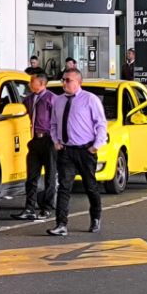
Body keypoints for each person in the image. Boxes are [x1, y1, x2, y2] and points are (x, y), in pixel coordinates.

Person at [47, 69, 107, 236]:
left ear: (78, 82)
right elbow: (53, 124)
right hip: (66, 151)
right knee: (64, 187)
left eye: (68, 80)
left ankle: (95, 217)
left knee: (90, 187)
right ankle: (61, 224)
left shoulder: (90, 99)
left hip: (85, 150)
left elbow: (101, 124)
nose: (64, 83)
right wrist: (56, 141)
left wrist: (96, 146)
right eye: (63, 80)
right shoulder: (58, 101)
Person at [12, 72, 55, 221]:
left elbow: (58, 120)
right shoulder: (28, 100)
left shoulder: (51, 99)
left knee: (50, 176)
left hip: (49, 140)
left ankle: (47, 208)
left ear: (42, 83)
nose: (30, 84)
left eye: (32, 81)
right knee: (31, 176)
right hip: (34, 140)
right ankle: (29, 208)